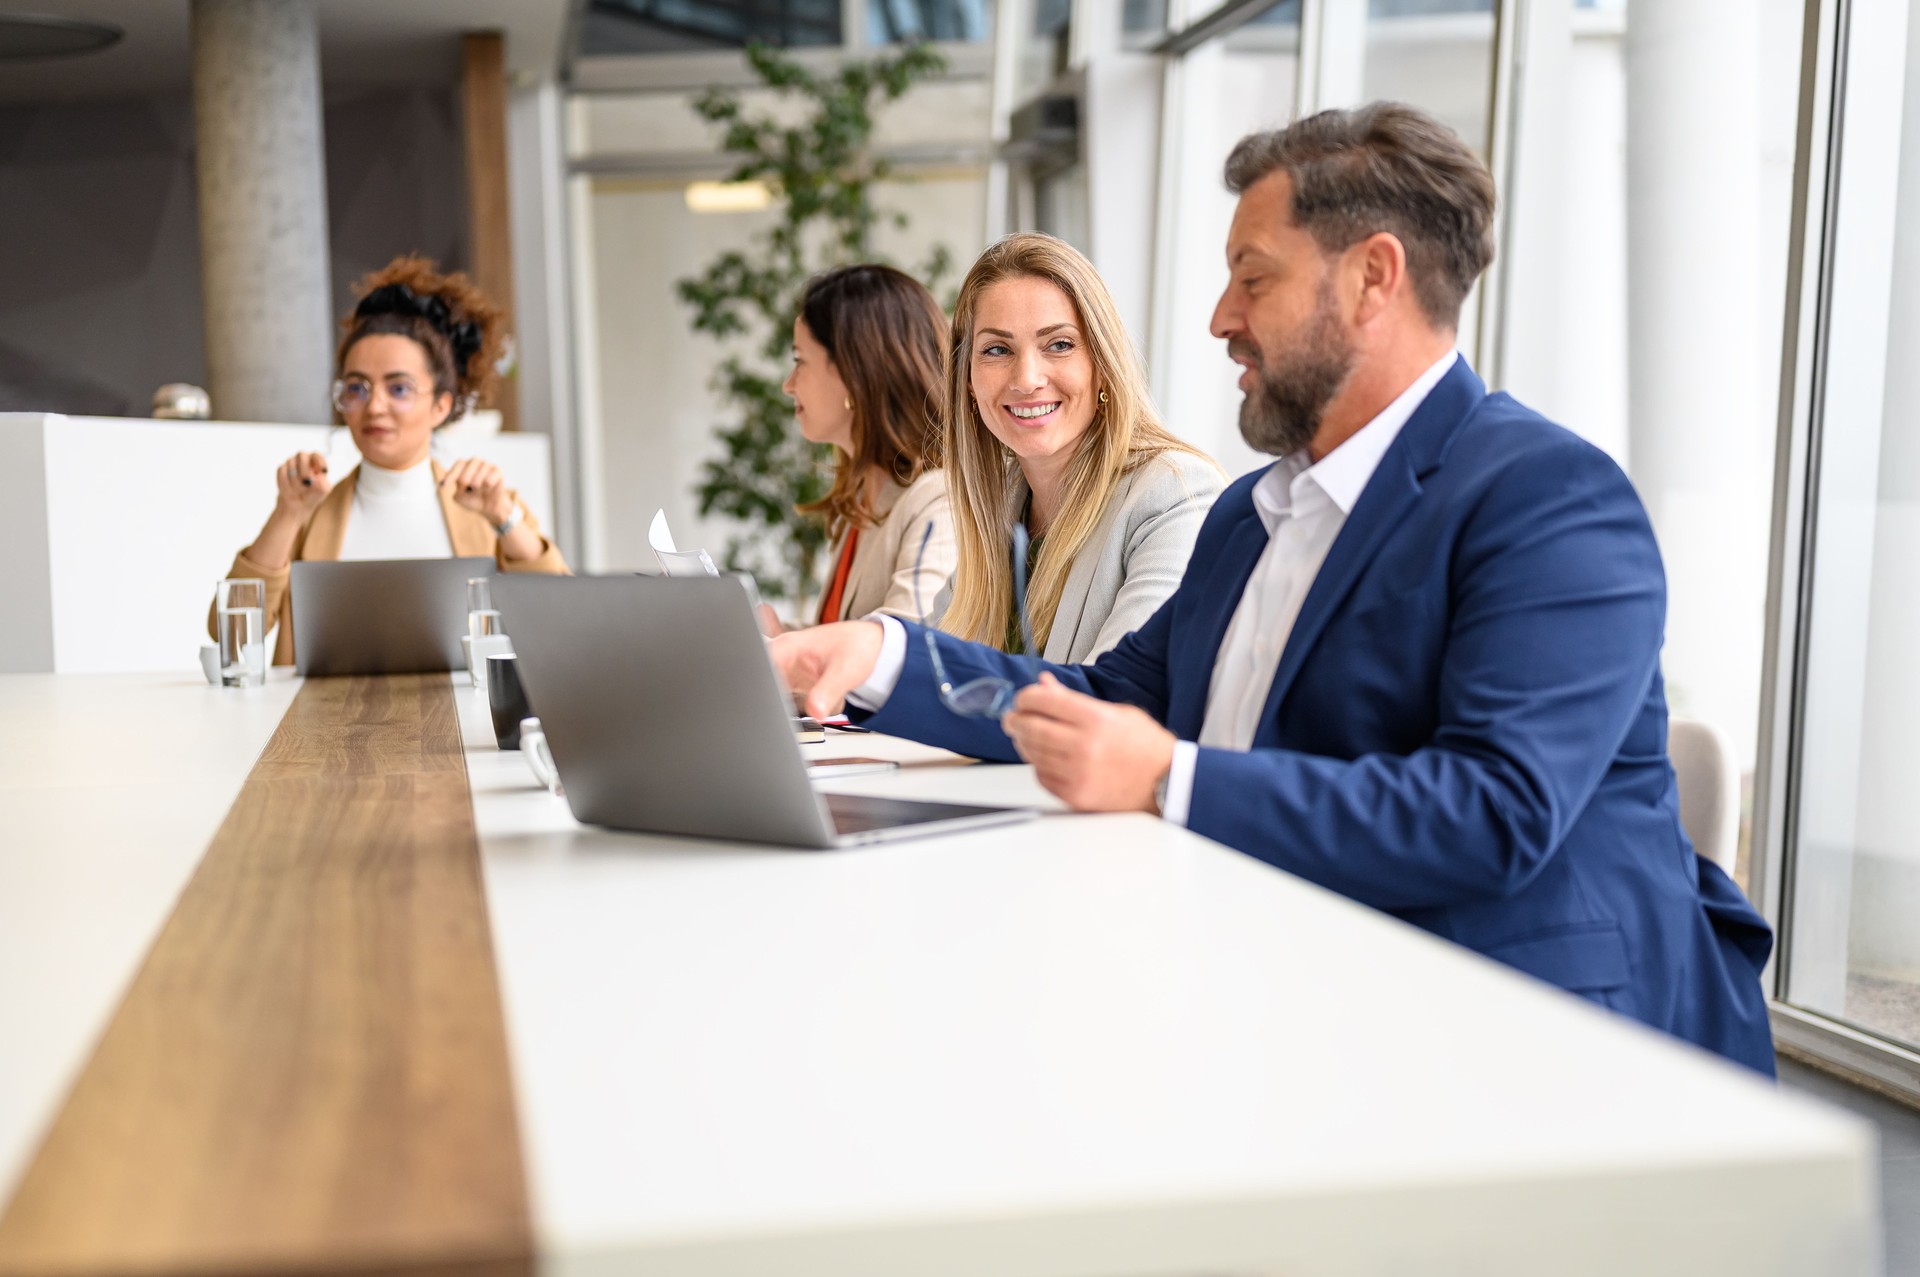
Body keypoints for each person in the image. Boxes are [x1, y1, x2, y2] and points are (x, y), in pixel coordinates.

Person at [768, 104, 1776, 1075]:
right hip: (1283, 974)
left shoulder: (1547, 497)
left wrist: (1168, 777)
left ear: (1373, 278)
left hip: (1527, 1029)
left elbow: (1494, 811)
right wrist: (875, 655)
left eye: (1253, 278)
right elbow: (1116, 700)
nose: (1221, 318)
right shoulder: (1252, 513)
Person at [215, 256, 568, 665]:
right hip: (319, 726)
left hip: (456, 727)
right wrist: (287, 514)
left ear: (441, 405)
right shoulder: (311, 509)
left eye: (398, 388)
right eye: (357, 387)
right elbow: (234, 638)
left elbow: (560, 619)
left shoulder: (488, 507)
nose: (374, 407)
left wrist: (505, 518)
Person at [940, 233, 1222, 662]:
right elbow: (922, 656)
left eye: (1059, 345)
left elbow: (1115, 696)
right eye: (997, 350)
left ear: (1103, 366)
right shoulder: (1001, 510)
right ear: (968, 382)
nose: (1027, 379)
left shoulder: (1175, 497)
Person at [768, 264, 955, 631]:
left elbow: (902, 649)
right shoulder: (863, 495)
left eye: (799, 361)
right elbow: (843, 636)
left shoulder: (939, 502)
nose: (788, 385)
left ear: (855, 372)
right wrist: (772, 633)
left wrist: (769, 648)